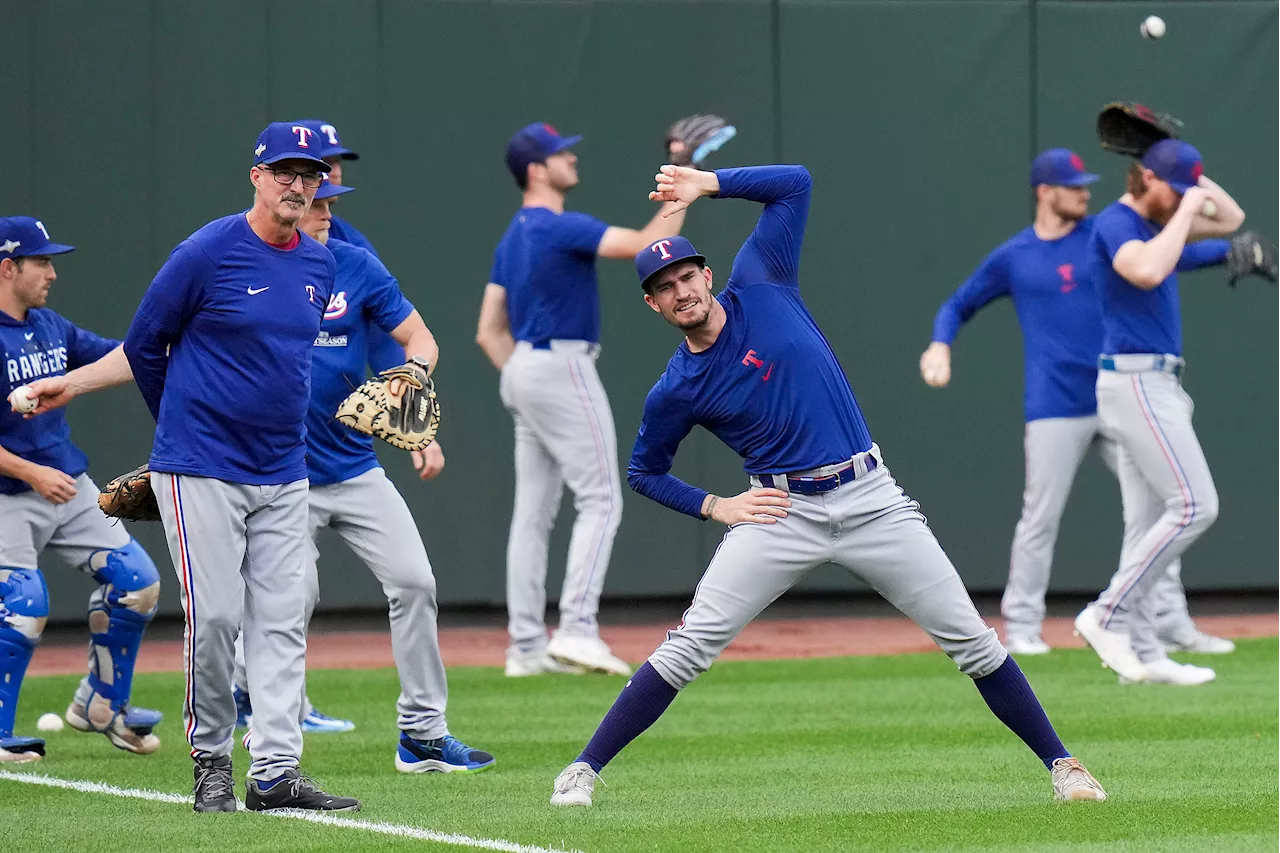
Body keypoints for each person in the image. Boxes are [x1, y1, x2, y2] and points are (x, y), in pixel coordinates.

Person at [548, 163, 1106, 807]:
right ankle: (584, 770)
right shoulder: (677, 387)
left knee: (974, 642)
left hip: (871, 499)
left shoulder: (761, 281)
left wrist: (709, 183)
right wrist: (716, 505)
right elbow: (643, 472)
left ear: (706, 273)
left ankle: (1064, 766)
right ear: (652, 303)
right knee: (687, 649)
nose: (680, 290)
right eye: (663, 286)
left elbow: (797, 183)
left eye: (686, 275)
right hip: (780, 512)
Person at [21, 123, 361, 812]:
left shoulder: (320, 261)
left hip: (284, 468)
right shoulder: (206, 253)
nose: (300, 185)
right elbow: (147, 346)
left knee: (282, 618)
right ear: (257, 176)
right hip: (201, 466)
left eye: (311, 174)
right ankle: (212, 760)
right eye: (286, 171)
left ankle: (275, 769)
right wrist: (176, 434)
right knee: (216, 619)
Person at [919, 149, 1234, 659]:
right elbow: (959, 302)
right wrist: (940, 343)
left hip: (1122, 397)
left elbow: (1173, 254)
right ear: (1045, 190)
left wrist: (1228, 250)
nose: (1085, 192)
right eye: (1073, 185)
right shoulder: (1015, 255)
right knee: (1040, 517)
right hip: (1054, 401)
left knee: (1160, 508)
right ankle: (1022, 625)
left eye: (1086, 185)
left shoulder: (1101, 234)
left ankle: (1171, 622)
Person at [238, 175, 494, 773]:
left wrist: (415, 373)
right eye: (315, 203)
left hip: (354, 465)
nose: (325, 213)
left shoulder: (356, 267)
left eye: (330, 203)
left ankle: (423, 735)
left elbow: (418, 337)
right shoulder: (248, 264)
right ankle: (264, 719)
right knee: (290, 598)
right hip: (281, 472)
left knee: (415, 583)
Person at [476, 122, 693, 678]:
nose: (570, 159)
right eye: (558, 154)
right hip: (561, 365)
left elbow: (488, 331)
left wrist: (522, 378)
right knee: (601, 498)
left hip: (524, 365)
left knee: (532, 515)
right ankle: (576, 628)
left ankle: (525, 647)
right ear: (535, 169)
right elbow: (650, 247)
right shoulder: (556, 226)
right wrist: (681, 181)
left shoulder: (511, 234)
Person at [1072, 139, 1245, 686]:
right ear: (1146, 179)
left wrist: (1188, 181)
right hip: (1135, 381)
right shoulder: (1116, 223)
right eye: (1177, 188)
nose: (1187, 200)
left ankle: (1144, 654)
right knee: (1196, 505)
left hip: (1157, 381)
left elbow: (1233, 217)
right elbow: (1144, 272)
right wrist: (1187, 205)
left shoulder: (1159, 219)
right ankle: (1105, 614)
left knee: (1145, 522)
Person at [0, 216, 162, 763]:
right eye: (41, 261)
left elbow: (120, 355)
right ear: (7, 267)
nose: (51, 272)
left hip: (65, 483)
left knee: (137, 584)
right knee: (23, 605)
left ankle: (100, 703)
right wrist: (29, 472)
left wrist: (180, 350)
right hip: (9, 492)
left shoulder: (49, 326)